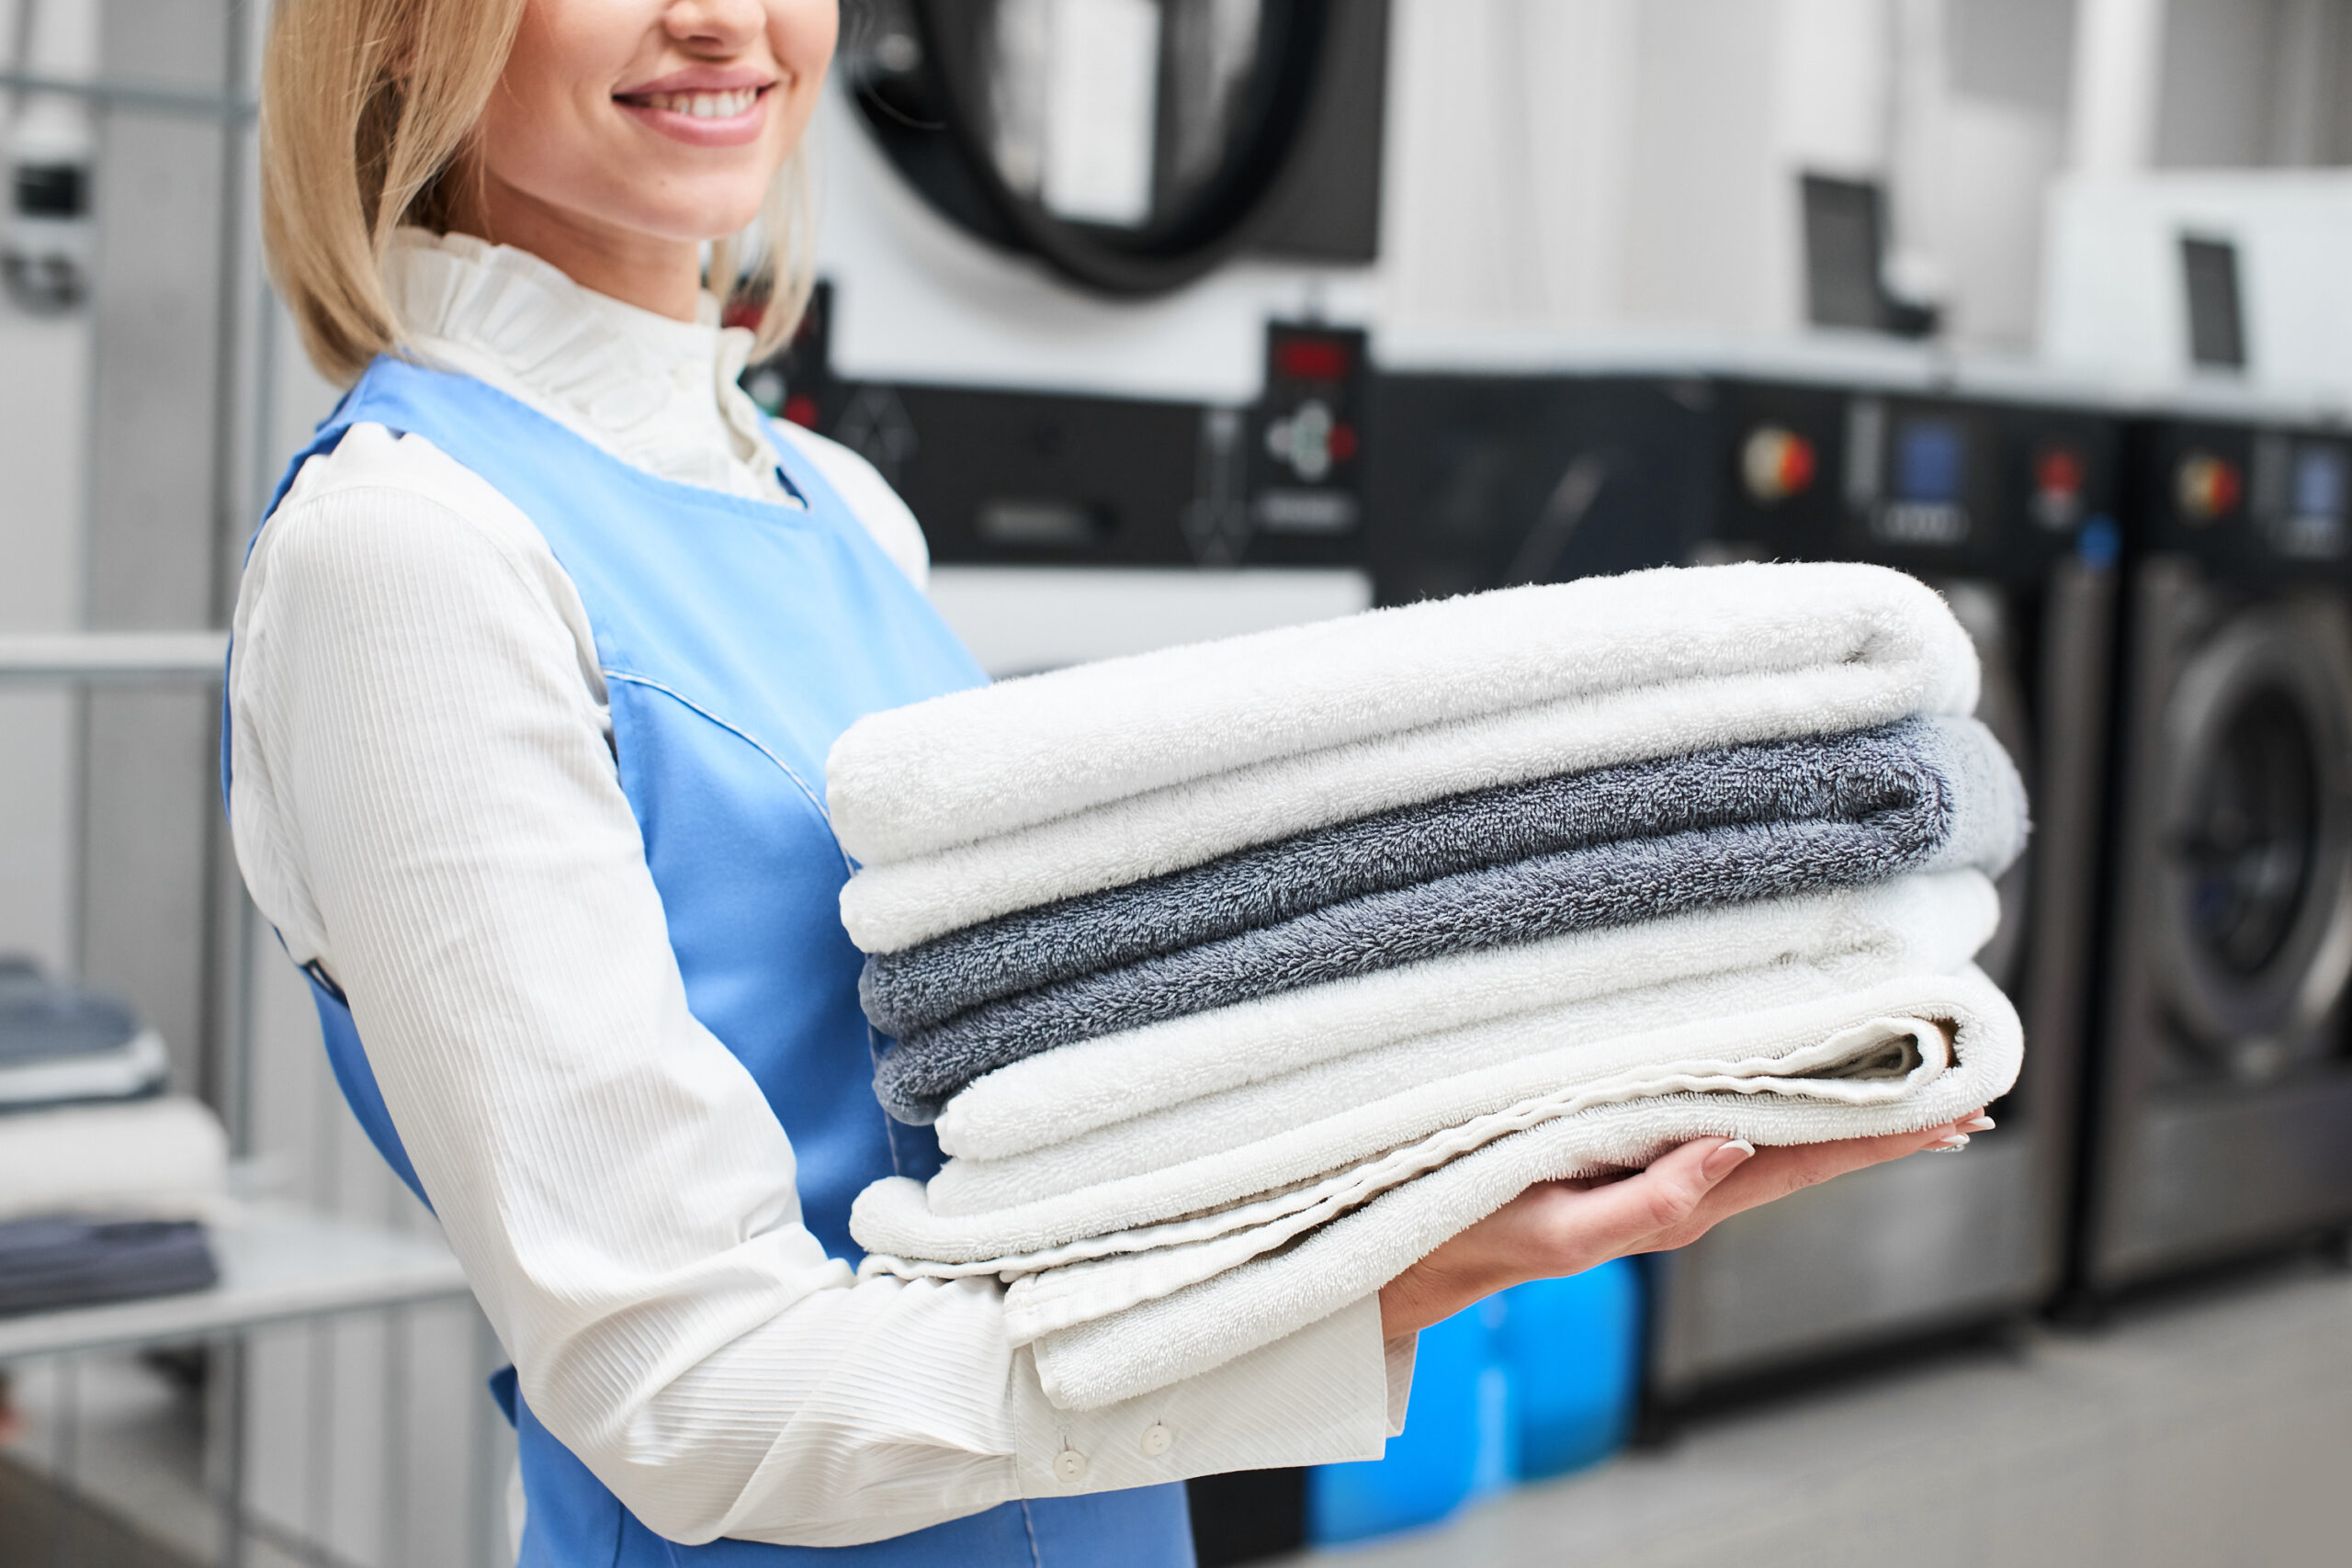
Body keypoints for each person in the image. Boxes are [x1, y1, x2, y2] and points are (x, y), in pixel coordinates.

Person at [227, 2, 1989, 1562]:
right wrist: (1383, 1281)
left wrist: (1469, 1148)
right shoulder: (409, 556)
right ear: (398, 27)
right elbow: (689, 1394)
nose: (727, 23)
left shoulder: (838, 507)